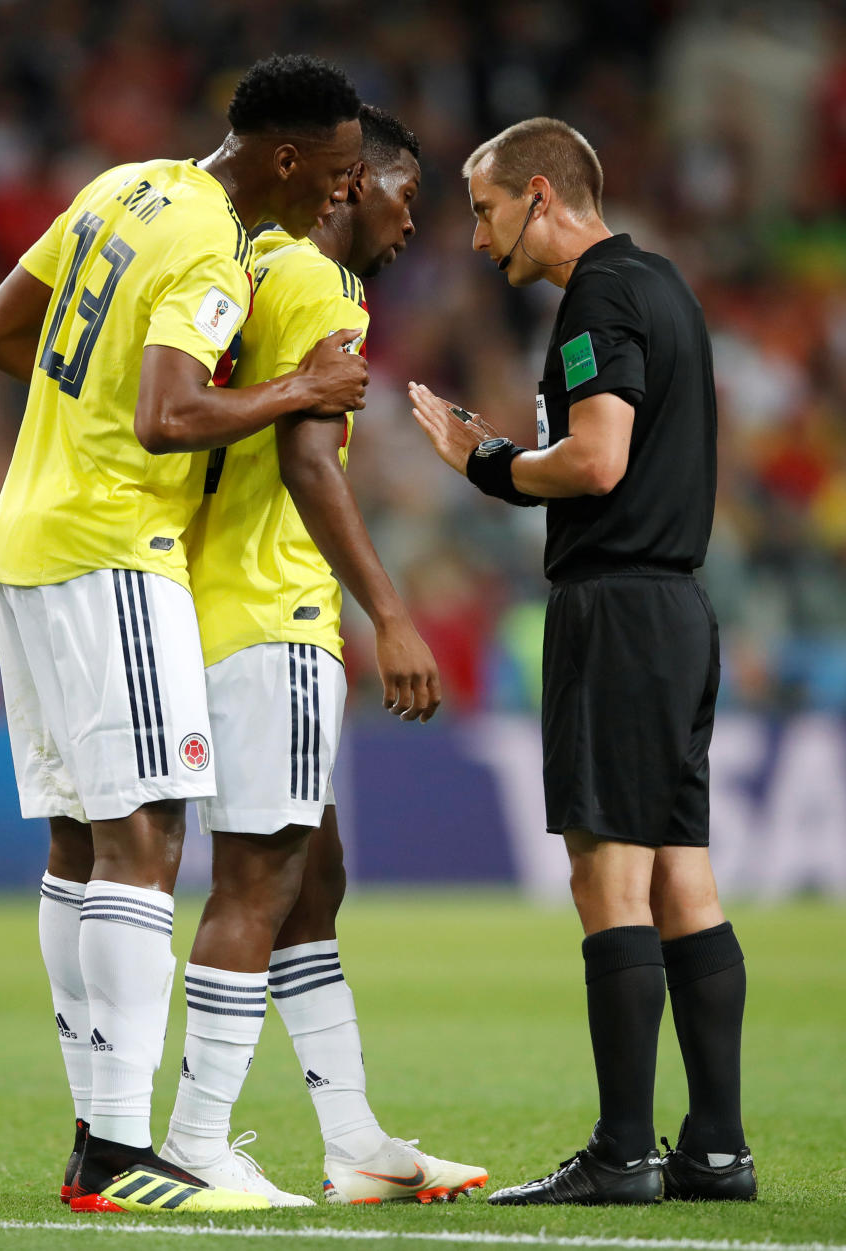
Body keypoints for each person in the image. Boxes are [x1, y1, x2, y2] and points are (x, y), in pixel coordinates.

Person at [0, 53, 369, 1216]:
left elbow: (0, 330)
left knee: (81, 848)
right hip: (113, 549)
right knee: (147, 845)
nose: (336, 196)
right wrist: (295, 393)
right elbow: (167, 414)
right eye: (333, 172)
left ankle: (97, 1132)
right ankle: (126, 1152)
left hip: (24, 538)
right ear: (285, 156)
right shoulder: (211, 241)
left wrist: (73, 409)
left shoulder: (122, 186)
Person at [410, 117, 756, 1206]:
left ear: (543, 195)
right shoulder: (665, 287)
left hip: (615, 610)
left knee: (608, 879)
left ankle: (622, 1153)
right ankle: (714, 1149)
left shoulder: (597, 297)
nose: (477, 239)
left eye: (486, 208)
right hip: (678, 611)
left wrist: (489, 462)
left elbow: (599, 461)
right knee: (682, 880)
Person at [158, 105, 487, 1206]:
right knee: (261, 880)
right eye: (403, 197)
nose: (410, 225)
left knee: (315, 875)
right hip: (272, 618)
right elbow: (310, 458)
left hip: (218, 610)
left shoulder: (251, 260)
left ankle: (354, 1140)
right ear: (352, 186)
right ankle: (197, 1140)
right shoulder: (321, 283)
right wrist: (390, 614)